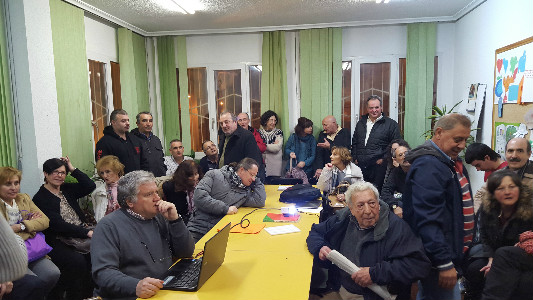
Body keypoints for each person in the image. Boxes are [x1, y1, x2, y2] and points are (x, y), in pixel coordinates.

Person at [307, 181, 431, 300]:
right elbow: (315, 232)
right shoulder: (343, 218)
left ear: (378, 203)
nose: (367, 211)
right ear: (351, 209)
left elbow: (419, 265)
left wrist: (374, 274)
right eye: (360, 205)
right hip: (339, 287)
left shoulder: (396, 227)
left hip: (372, 295)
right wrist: (320, 247)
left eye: (372, 203)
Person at [91, 171, 194, 300]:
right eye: (149, 194)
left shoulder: (160, 216)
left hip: (165, 289)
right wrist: (135, 286)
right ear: (130, 202)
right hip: (134, 295)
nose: (157, 198)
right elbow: (103, 273)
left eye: (156, 192)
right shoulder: (108, 226)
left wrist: (175, 220)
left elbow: (186, 253)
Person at [403, 113, 473, 300]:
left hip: (447, 254)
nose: (462, 146)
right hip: (438, 260)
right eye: (458, 139)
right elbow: (428, 219)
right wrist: (443, 262)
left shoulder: (449, 161)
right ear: (439, 132)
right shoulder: (429, 166)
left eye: (466, 139)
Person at [32, 157, 96, 300]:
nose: (59, 176)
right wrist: (86, 232)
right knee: (77, 261)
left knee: (98, 253)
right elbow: (57, 225)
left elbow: (90, 185)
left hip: (79, 233)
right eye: (55, 172)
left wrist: (72, 169)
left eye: (62, 172)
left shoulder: (66, 189)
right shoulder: (40, 197)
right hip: (57, 238)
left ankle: (89, 295)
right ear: (46, 174)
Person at [463, 170, 533, 300]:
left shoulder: (529, 208)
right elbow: (484, 236)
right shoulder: (488, 207)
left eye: (512, 187)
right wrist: (491, 260)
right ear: (493, 193)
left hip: (523, 254)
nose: (507, 192)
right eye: (500, 188)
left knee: (521, 280)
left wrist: (498, 263)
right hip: (496, 252)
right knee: (475, 269)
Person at [0, 167, 60, 299]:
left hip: (32, 250)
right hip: (10, 257)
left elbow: (45, 221)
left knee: (52, 273)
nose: (13, 187)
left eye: (16, 183)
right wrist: (31, 228)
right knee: (32, 283)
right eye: (7, 184)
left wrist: (20, 226)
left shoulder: (24, 199)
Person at [187, 158, 266, 242]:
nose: (253, 179)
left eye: (255, 176)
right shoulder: (214, 174)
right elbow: (199, 197)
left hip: (219, 231)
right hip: (198, 228)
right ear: (242, 170)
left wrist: (257, 181)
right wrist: (225, 209)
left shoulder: (245, 192)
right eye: (252, 174)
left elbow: (259, 201)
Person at [351, 95, 401, 191]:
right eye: (371, 108)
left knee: (376, 194)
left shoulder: (391, 124)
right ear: (367, 108)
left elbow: (395, 144)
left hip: (379, 166)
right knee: (360, 193)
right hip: (360, 166)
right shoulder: (361, 123)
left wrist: (383, 159)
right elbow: (355, 141)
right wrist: (355, 157)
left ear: (381, 107)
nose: (374, 110)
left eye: (377, 107)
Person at [95, 109, 149, 174]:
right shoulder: (104, 142)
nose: (127, 123)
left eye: (128, 120)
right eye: (123, 121)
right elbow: (102, 166)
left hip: (138, 180)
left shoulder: (134, 139)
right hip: (119, 182)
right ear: (113, 122)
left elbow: (144, 161)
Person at [218, 111, 265, 181]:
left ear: (235, 122)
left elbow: (252, 162)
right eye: (221, 123)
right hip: (224, 179)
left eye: (226, 122)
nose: (224, 125)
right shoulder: (223, 135)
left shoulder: (247, 136)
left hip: (240, 181)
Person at [465, 143, 509, 213]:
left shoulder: (507, 171)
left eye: (478, 165)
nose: (478, 169)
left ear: (487, 158)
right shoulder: (488, 171)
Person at [162, 160, 203, 225]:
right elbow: (178, 211)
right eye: (190, 176)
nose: (195, 178)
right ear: (183, 176)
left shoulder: (202, 185)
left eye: (196, 174)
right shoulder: (171, 188)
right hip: (182, 221)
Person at [314, 116, 351, 180]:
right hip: (326, 169)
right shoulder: (322, 134)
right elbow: (319, 153)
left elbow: (345, 150)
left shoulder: (345, 132)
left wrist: (330, 146)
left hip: (341, 169)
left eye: (325, 125)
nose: (324, 128)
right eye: (323, 125)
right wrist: (319, 168)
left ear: (333, 123)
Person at [89, 155, 125, 222]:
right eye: (102, 173)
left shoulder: (128, 187)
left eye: (108, 171)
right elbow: (98, 214)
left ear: (117, 170)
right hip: (106, 227)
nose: (105, 176)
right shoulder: (98, 192)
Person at [130, 112, 166, 177]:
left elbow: (161, 159)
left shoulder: (156, 139)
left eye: (150, 121)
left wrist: (163, 170)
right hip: (143, 180)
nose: (148, 124)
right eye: (144, 121)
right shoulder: (132, 140)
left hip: (160, 178)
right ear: (137, 123)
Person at [380, 143, 411, 218]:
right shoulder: (396, 172)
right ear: (395, 160)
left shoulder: (420, 168)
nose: (404, 156)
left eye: (406, 153)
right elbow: (385, 191)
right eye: (400, 155)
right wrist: (394, 206)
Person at [258, 110, 284, 178]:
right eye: (271, 120)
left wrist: (263, 146)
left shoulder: (278, 132)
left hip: (275, 168)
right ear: (265, 121)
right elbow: (257, 147)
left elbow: (277, 148)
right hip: (262, 166)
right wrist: (272, 145)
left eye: (275, 120)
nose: (273, 122)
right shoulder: (258, 132)